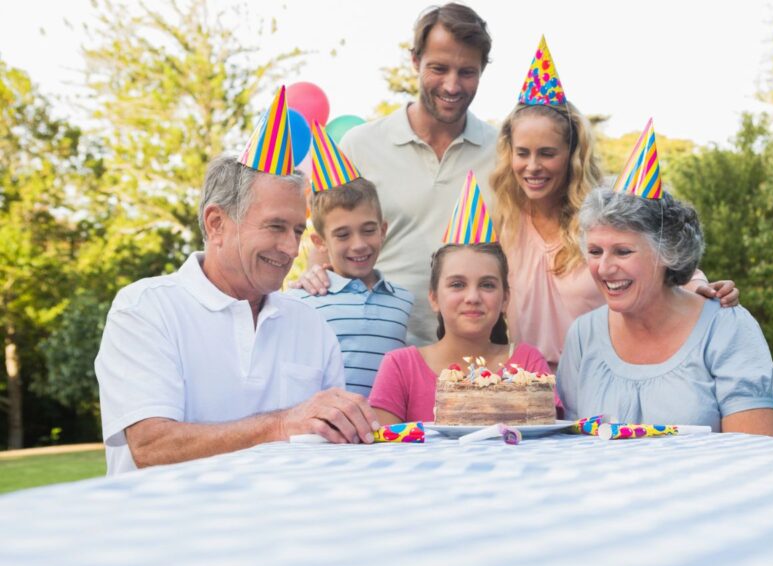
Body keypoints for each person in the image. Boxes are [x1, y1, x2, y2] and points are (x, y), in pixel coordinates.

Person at [94, 153, 379, 475]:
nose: (290, 248)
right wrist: (282, 424)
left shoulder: (310, 322)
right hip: (168, 523)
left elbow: (331, 448)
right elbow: (151, 446)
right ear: (217, 224)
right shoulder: (144, 309)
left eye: (298, 231)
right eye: (276, 226)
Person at [489, 40, 738, 369]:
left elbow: (664, 266)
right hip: (529, 391)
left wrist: (704, 289)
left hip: (603, 378)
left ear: (572, 155)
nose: (532, 166)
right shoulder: (501, 221)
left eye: (547, 153)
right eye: (523, 153)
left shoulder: (605, 214)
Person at [299, 3, 497, 346]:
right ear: (415, 61)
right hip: (378, 354)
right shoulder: (360, 145)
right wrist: (314, 274)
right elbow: (325, 241)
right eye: (439, 68)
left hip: (471, 361)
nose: (452, 85)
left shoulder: (503, 153)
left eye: (467, 72)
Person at [556, 188, 773, 435]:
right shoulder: (582, 335)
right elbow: (572, 444)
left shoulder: (727, 327)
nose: (604, 268)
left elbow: (753, 451)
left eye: (623, 251)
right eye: (595, 252)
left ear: (669, 253)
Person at [287, 128, 413, 397]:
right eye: (342, 235)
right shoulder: (302, 301)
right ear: (320, 242)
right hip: (327, 434)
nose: (358, 244)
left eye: (368, 230)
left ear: (383, 230)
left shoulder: (404, 302)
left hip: (390, 435)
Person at [368, 243, 554, 424]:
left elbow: (549, 438)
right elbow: (384, 446)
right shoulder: (400, 366)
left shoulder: (528, 363)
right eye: (457, 284)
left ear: (505, 299)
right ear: (434, 298)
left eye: (487, 285)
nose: (472, 297)